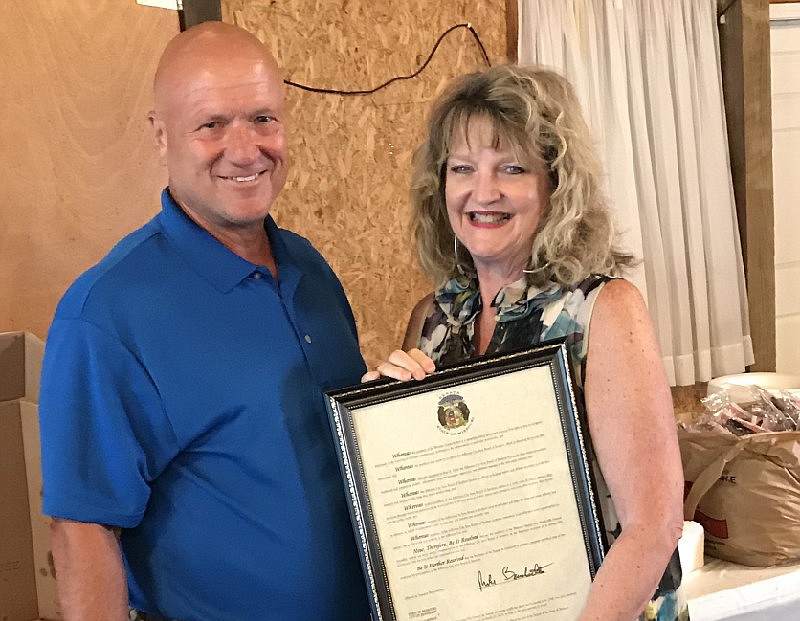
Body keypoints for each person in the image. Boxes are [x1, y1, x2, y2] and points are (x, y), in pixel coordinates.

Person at [38, 22, 370, 621]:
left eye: (263, 118)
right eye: (211, 124)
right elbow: (83, 529)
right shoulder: (105, 313)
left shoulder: (310, 268)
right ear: (161, 136)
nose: (244, 150)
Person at [367, 65, 686, 621]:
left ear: (554, 185)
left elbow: (653, 524)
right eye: (462, 168)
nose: (482, 192)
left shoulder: (602, 312)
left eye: (511, 168)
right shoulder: (433, 321)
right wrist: (382, 425)